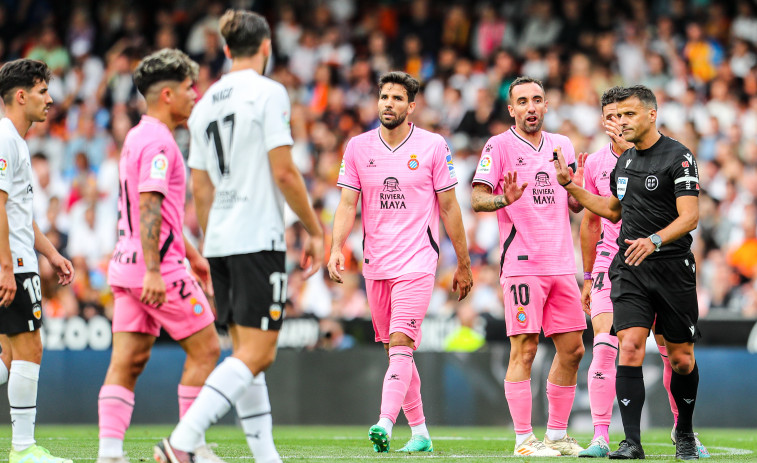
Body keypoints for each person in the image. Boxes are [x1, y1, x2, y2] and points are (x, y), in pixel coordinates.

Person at [155, 10, 324, 463]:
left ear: (227, 49)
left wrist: (213, 243)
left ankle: (266, 457)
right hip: (256, 236)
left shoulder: (205, 102)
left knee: (246, 350)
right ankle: (181, 441)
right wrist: (315, 228)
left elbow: (201, 186)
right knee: (259, 354)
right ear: (266, 47)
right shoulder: (270, 93)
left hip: (222, 239)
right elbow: (285, 172)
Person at [553, 85, 702, 460]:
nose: (620, 123)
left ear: (652, 114)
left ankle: (684, 432)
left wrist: (654, 239)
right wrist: (572, 185)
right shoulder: (624, 162)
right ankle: (630, 442)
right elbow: (613, 210)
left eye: (629, 115)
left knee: (682, 358)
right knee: (629, 346)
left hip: (672, 269)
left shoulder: (679, 157)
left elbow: (691, 217)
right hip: (630, 268)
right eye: (616, 116)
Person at [328, 71, 473, 454]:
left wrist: (463, 261)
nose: (388, 103)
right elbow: (346, 204)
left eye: (396, 98)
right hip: (376, 264)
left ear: (411, 106)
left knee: (401, 343)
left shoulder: (432, 146)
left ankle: (384, 423)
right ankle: (421, 432)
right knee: (397, 351)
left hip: (418, 260)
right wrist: (335, 248)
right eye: (384, 96)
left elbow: (449, 206)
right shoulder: (357, 147)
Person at [97, 49, 222, 463]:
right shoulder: (159, 141)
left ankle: (110, 454)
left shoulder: (138, 134)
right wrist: (157, 269)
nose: (196, 94)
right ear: (167, 94)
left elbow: (156, 212)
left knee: (128, 361)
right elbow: (149, 205)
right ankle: (189, 446)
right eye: (189, 87)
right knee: (206, 349)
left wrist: (193, 252)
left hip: (126, 264)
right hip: (157, 270)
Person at [470, 76, 586, 457]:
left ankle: (555, 434)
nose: (531, 107)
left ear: (546, 105)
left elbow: (574, 205)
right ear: (512, 109)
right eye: (523, 101)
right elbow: (477, 198)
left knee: (572, 350)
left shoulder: (562, 145)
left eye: (537, 100)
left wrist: (575, 187)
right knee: (525, 348)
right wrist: (504, 197)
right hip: (522, 263)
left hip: (561, 263)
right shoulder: (498, 145)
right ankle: (523, 440)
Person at [0, 59, 75, 463]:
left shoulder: (15, 140)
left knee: (8, 356)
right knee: (30, 350)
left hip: (21, 257)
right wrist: (7, 267)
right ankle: (23, 449)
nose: (51, 99)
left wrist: (51, 253)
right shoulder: (5, 138)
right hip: (11, 264)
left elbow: (17, 213)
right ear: (22, 95)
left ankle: (23, 448)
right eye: (44, 91)